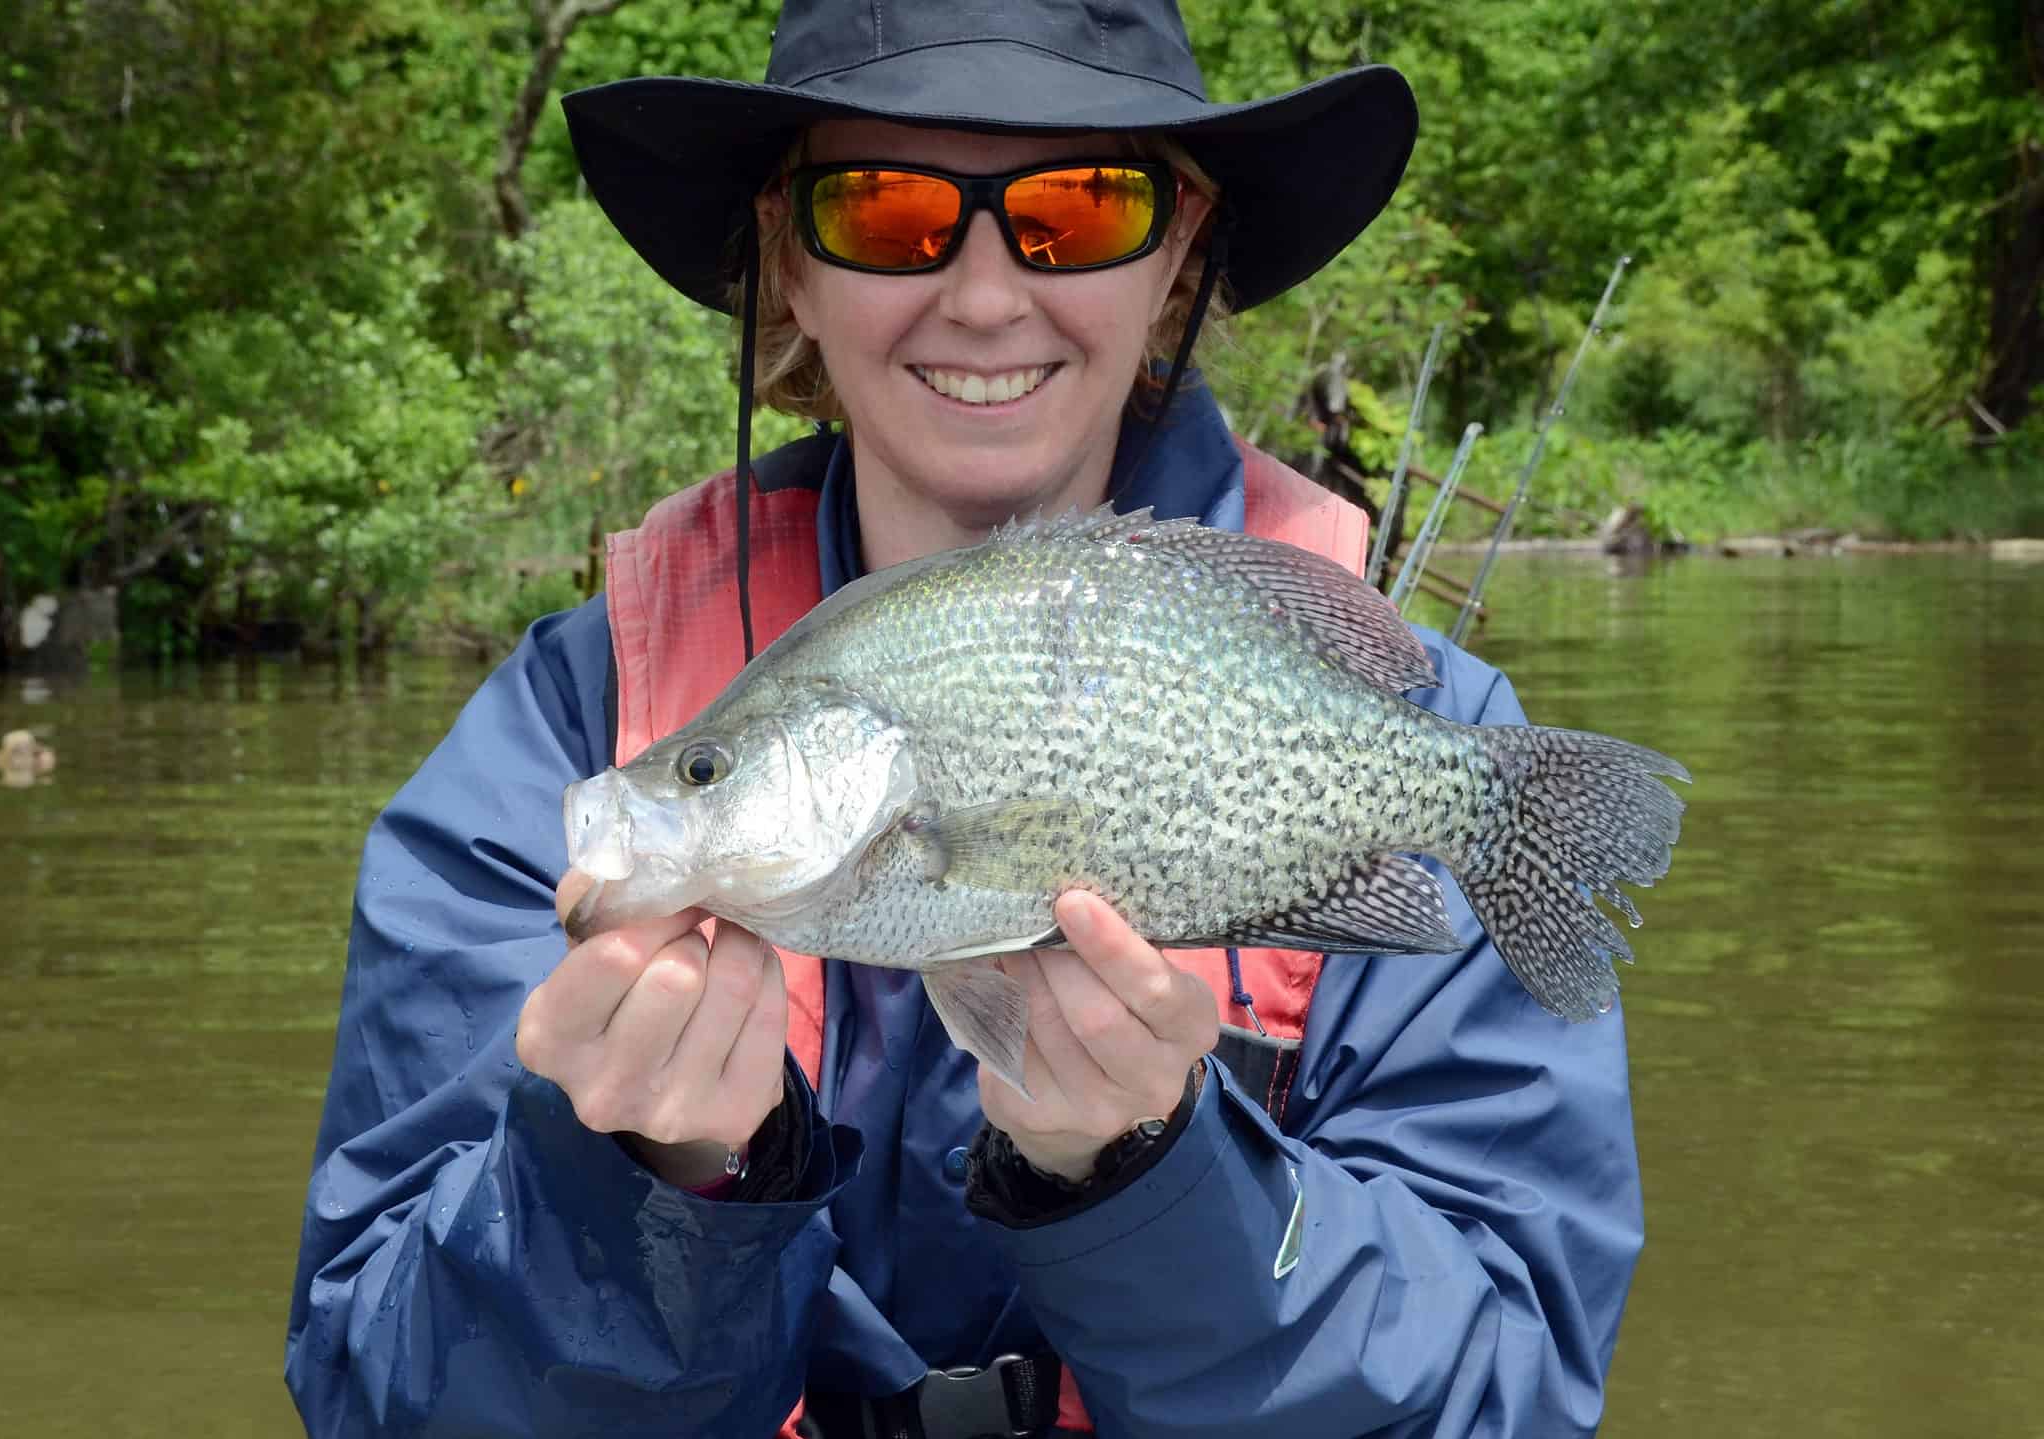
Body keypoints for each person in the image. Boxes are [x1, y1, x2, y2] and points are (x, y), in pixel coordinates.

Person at [285, 2, 1644, 1435]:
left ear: (1178, 248)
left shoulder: (1421, 727)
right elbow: (376, 1389)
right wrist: (633, 1190)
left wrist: (1155, 1183)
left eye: (1076, 207)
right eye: (882, 211)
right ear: (788, 263)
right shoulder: (561, 732)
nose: (987, 295)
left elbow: (1511, 1392)